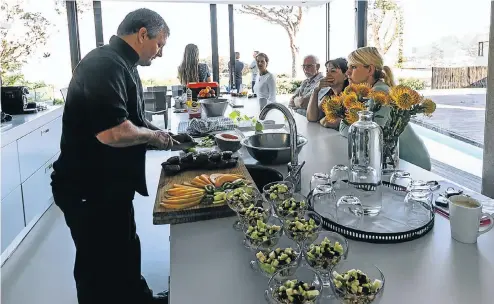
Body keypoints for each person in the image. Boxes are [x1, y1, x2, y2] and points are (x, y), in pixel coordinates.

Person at [50, 8, 180, 304]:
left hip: (109, 186)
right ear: (142, 34)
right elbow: (113, 132)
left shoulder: (124, 64)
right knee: (96, 266)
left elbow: (132, 119)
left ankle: (139, 298)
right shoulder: (104, 64)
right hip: (87, 188)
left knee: (123, 247)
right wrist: (153, 137)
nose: (159, 54)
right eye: (159, 44)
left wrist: (166, 136)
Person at [342, 46, 431, 171]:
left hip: (411, 164)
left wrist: (345, 121)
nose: (347, 73)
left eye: (354, 67)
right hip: (397, 162)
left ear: (370, 69)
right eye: (348, 67)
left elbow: (367, 139)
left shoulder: (380, 93)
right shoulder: (370, 92)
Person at [306, 58, 349, 127]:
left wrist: (325, 121)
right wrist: (316, 90)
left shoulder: (350, 95)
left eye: (333, 71)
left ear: (345, 76)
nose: (328, 75)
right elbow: (312, 118)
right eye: (327, 71)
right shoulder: (330, 95)